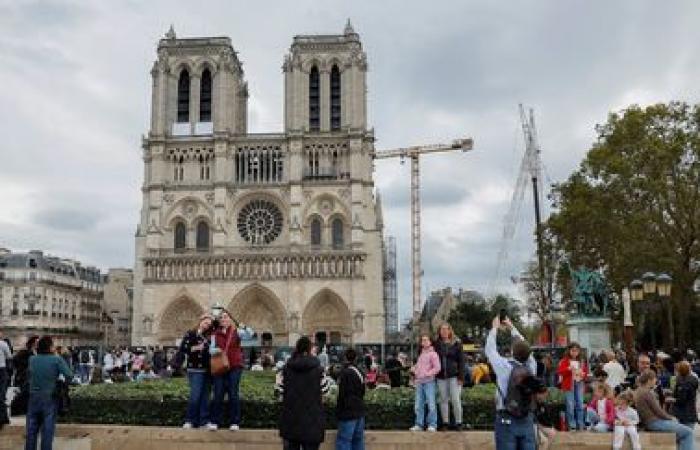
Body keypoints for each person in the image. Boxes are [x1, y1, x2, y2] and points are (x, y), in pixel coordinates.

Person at [485, 315, 538, 450]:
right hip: (527, 418)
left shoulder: (504, 367)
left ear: (513, 351)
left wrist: (495, 328)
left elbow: (490, 350)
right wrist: (512, 327)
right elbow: (526, 348)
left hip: (506, 417)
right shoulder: (532, 367)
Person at [278, 336, 331, 450]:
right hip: (312, 422)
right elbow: (326, 391)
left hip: (290, 422)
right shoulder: (319, 370)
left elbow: (279, 391)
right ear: (309, 349)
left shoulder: (286, 369)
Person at [25, 336, 73, 450]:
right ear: (50, 347)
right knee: (47, 430)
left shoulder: (32, 359)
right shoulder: (56, 359)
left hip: (33, 396)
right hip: (49, 397)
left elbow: (29, 375)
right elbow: (69, 374)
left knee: (31, 429)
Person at [209, 310, 253, 431]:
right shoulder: (215, 334)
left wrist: (245, 327)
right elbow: (210, 350)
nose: (224, 319)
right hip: (220, 366)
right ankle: (214, 421)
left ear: (230, 320)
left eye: (226, 317)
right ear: (219, 321)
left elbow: (249, 335)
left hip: (234, 366)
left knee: (233, 393)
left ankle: (234, 422)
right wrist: (217, 350)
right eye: (222, 318)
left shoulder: (236, 332)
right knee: (218, 393)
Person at [635, 369, 695, 450]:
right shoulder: (647, 393)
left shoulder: (639, 391)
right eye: (655, 378)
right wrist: (671, 418)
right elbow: (658, 411)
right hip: (654, 422)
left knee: (681, 431)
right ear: (649, 380)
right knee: (688, 432)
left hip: (650, 422)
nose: (656, 380)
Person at [177, 313, 213, 429]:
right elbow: (183, 349)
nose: (207, 325)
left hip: (207, 370)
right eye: (205, 322)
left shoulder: (210, 337)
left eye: (209, 324)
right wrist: (196, 348)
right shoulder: (191, 334)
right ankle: (190, 420)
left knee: (205, 397)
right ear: (200, 321)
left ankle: (204, 421)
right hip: (195, 369)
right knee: (195, 396)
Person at [434, 322, 465, 430]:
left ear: (450, 330)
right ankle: (445, 423)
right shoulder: (436, 344)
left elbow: (461, 361)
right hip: (441, 377)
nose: (444, 331)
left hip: (454, 376)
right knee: (443, 400)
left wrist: (461, 377)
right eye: (442, 329)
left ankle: (459, 422)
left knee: (456, 399)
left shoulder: (457, 343)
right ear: (439, 331)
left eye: (446, 329)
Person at [409, 334, 441, 432]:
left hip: (429, 382)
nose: (424, 342)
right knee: (418, 405)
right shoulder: (421, 354)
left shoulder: (433, 354)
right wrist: (414, 369)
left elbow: (437, 368)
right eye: (423, 340)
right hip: (419, 383)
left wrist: (427, 374)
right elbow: (419, 367)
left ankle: (432, 425)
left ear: (430, 342)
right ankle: (419, 424)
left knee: (431, 404)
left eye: (426, 340)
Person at [335, 348, 365, 450]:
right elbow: (362, 391)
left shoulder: (345, 373)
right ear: (356, 358)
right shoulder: (359, 372)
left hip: (347, 413)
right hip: (359, 411)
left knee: (344, 441)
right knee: (358, 441)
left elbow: (342, 394)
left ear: (344, 358)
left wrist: (338, 411)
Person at [557, 342, 588, 430]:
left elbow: (585, 372)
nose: (575, 353)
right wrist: (568, 369)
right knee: (570, 405)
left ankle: (580, 424)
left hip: (579, 383)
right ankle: (572, 425)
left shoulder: (581, 361)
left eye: (576, 351)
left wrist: (583, 374)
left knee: (580, 404)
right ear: (569, 351)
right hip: (569, 384)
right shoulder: (565, 361)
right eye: (573, 350)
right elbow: (560, 372)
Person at [11, 336, 38, 416]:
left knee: (28, 393)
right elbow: (15, 361)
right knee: (24, 393)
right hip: (24, 376)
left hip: (31, 376)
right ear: (32, 343)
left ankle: (24, 410)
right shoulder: (25, 352)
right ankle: (17, 410)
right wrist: (24, 367)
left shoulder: (36, 352)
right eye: (37, 342)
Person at [671, 361, 698, 428]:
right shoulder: (693, 379)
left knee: (685, 435)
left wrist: (672, 399)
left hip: (684, 414)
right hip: (690, 412)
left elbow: (682, 399)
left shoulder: (683, 382)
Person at [0, 332, 12, 429]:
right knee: (1, 394)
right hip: (1, 370)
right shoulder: (3, 344)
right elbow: (9, 356)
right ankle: (3, 418)